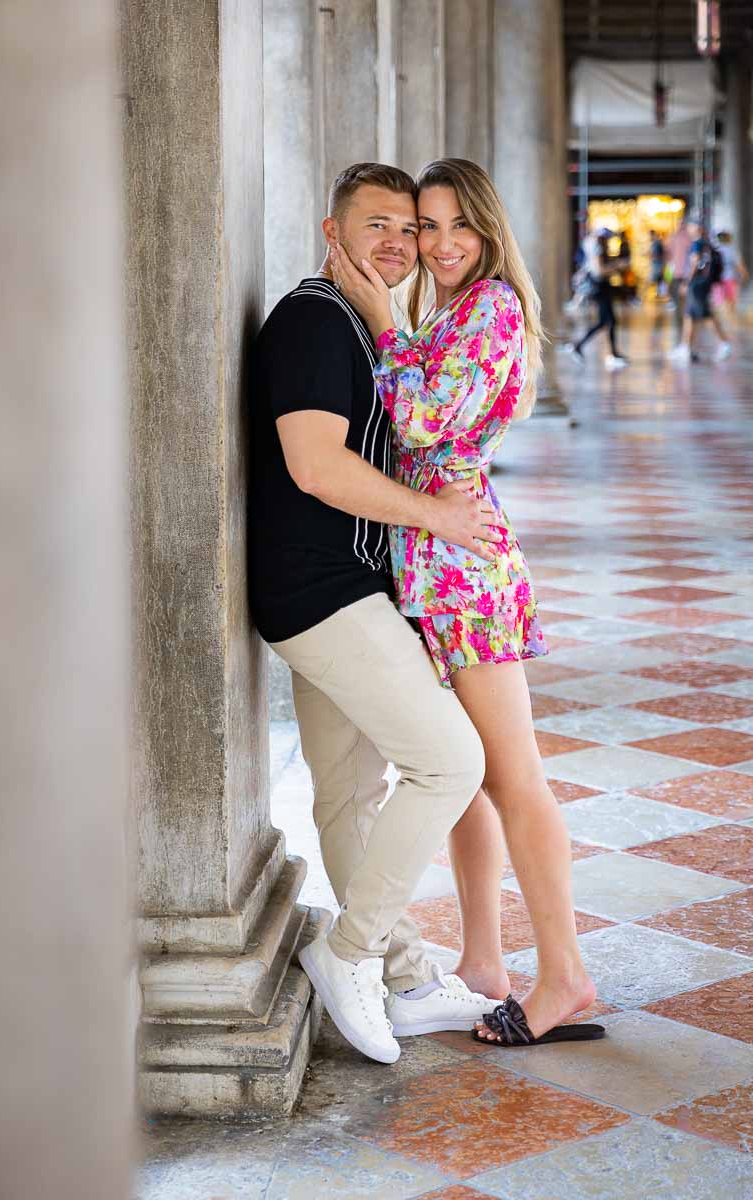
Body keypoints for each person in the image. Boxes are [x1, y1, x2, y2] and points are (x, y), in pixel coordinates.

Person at [331, 157, 602, 1048]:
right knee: (473, 782)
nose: (440, 245)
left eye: (457, 226)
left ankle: (564, 976)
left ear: (488, 231)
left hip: (464, 574)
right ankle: (485, 963)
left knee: (513, 776)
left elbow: (417, 424)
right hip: (431, 564)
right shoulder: (450, 309)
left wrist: (379, 319)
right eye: (426, 227)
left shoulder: (490, 307)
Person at [249, 162, 508, 1066]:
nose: (399, 243)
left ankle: (401, 975)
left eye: (411, 228)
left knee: (351, 792)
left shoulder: (363, 326)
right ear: (333, 231)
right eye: (379, 226)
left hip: (345, 583)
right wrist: (439, 515)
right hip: (321, 591)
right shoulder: (318, 320)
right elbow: (316, 467)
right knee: (451, 761)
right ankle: (349, 954)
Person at [668, 219, 731, 364]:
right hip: (703, 284)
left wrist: (686, 282)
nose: (688, 228)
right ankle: (685, 347)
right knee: (690, 315)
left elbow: (694, 262)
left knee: (704, 314)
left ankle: (724, 342)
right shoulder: (706, 243)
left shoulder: (697, 244)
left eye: (690, 226)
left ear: (697, 228)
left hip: (697, 284)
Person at [565, 229, 627, 370]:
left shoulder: (593, 246)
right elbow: (600, 270)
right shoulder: (597, 248)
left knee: (610, 321)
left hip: (602, 286)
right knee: (605, 321)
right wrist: (617, 265)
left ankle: (613, 353)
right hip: (600, 287)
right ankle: (579, 345)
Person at [666, 217, 694, 341]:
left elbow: (668, 256)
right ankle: (685, 329)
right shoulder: (689, 239)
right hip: (684, 275)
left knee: (680, 304)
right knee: (685, 303)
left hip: (680, 275)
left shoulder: (675, 238)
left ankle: (683, 328)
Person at [713, 230, 748, 313]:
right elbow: (740, 265)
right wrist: (745, 275)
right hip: (730, 278)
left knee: (719, 304)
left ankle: (723, 322)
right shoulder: (732, 250)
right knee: (731, 303)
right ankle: (731, 322)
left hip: (717, 279)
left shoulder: (714, 251)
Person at [649, 229, 666, 297]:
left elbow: (658, 254)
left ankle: (661, 293)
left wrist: (651, 256)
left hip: (658, 264)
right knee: (659, 279)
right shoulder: (656, 242)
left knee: (658, 278)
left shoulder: (657, 243)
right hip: (658, 263)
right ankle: (660, 293)